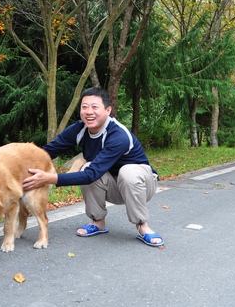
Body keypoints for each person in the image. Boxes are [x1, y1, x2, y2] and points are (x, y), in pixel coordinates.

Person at [22, 86, 164, 247]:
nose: (89, 112)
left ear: (108, 110)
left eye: (95, 107)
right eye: (84, 107)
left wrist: (49, 178)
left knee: (127, 171)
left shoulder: (118, 136)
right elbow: (48, 151)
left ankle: (142, 225)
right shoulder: (79, 129)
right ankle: (98, 222)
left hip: (142, 185)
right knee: (87, 167)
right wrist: (19, 164)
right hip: (113, 186)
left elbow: (92, 174)